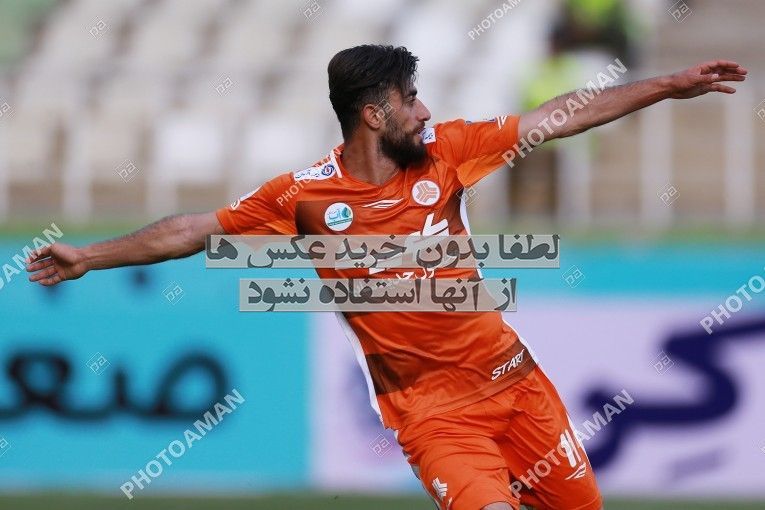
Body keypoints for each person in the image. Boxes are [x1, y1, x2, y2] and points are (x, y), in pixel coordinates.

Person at [26, 45, 746, 510]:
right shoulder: (304, 198)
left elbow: (557, 117)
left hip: (519, 386)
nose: (424, 110)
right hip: (434, 416)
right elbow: (193, 231)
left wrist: (668, 85)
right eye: (410, 98)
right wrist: (90, 257)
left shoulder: (447, 151)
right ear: (373, 114)